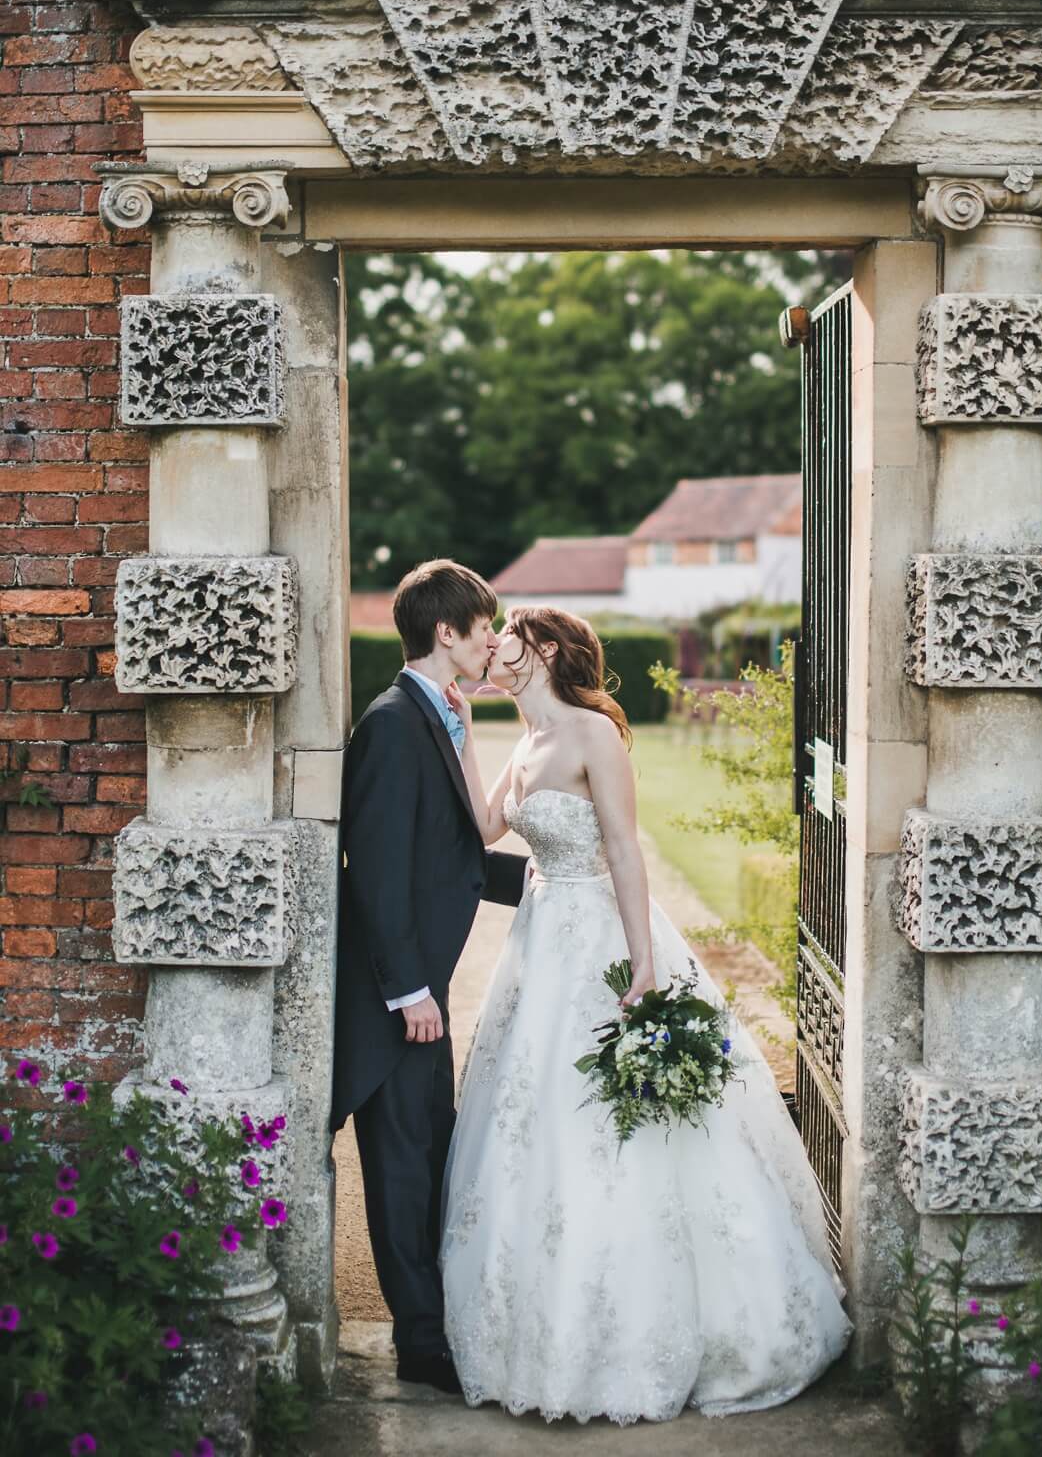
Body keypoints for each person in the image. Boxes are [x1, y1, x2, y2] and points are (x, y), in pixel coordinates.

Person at [441, 604, 852, 1423]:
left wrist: (644, 968)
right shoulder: (524, 744)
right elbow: (486, 826)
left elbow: (625, 850)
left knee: (616, 1120)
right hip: (537, 947)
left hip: (598, 937)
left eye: (507, 634)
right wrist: (463, 731)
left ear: (544, 649)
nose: (494, 645)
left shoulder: (595, 736)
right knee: (537, 1121)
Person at [330, 559, 527, 1395]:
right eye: (485, 630)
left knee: (430, 1150)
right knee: (404, 1162)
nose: (494, 644)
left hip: (423, 993)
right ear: (447, 633)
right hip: (395, 1001)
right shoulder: (389, 724)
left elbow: (448, 856)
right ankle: (420, 1344)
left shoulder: (438, 715)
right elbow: (375, 869)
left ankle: (432, 1323)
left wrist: (546, 886)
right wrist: (408, 990)